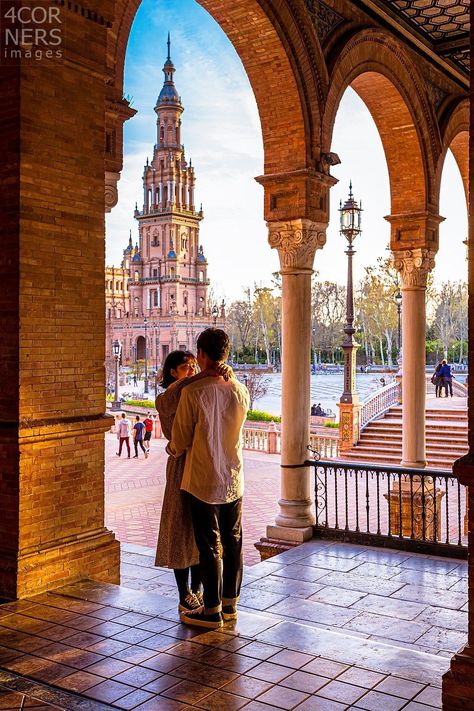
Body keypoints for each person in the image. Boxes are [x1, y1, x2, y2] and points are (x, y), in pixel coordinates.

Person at [169, 328, 249, 629]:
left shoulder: (192, 392)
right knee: (234, 542)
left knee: (210, 546)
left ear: (201, 355)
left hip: (202, 479)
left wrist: (171, 448)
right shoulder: (240, 390)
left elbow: (179, 440)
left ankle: (211, 610)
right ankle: (230, 606)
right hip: (233, 476)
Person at [155, 350, 226, 614]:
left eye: (195, 366)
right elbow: (168, 403)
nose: (193, 371)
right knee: (179, 528)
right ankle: (184, 592)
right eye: (186, 367)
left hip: (200, 463)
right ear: (173, 372)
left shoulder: (195, 391)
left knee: (201, 531)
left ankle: (197, 589)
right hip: (180, 464)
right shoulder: (169, 397)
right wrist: (203, 374)